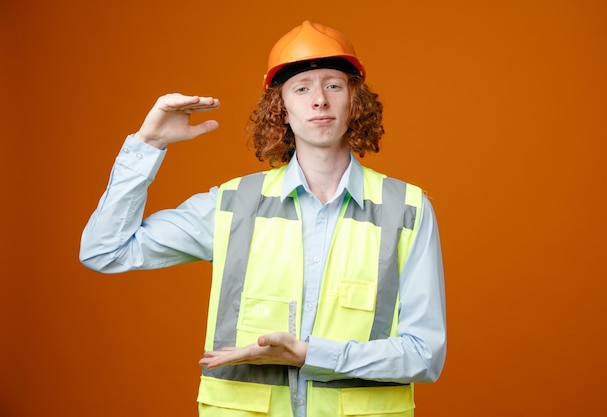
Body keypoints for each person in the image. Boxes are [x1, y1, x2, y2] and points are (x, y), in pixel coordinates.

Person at [80, 20, 446, 417]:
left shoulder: (406, 209)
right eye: (302, 88)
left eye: (334, 85)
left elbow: (425, 356)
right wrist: (146, 146)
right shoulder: (234, 206)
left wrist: (309, 354)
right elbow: (105, 251)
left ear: (354, 102)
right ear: (282, 110)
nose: (319, 100)